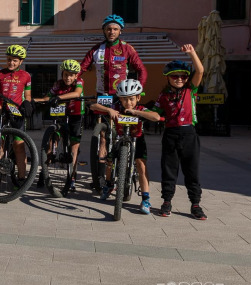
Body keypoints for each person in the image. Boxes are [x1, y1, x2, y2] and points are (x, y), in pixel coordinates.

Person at [80, 14, 148, 193]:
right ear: (104, 30)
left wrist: (138, 89)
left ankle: (127, 159)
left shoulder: (127, 49)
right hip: (102, 95)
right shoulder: (96, 49)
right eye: (109, 29)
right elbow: (81, 69)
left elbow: (141, 69)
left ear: (120, 31)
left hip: (123, 96)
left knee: (125, 130)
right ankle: (102, 176)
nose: (112, 32)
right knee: (103, 135)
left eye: (115, 29)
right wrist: (75, 86)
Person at [149, 45, 206, 220]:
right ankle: (167, 201)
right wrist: (135, 112)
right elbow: (155, 113)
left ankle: (195, 204)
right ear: (168, 78)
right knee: (169, 170)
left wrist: (192, 53)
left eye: (183, 76)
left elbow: (200, 70)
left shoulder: (191, 90)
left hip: (189, 134)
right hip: (171, 135)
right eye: (175, 76)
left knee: (192, 171)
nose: (179, 79)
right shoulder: (163, 95)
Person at [90, 79, 160, 214]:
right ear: (120, 99)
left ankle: (145, 199)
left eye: (132, 99)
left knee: (141, 165)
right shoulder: (117, 107)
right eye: (124, 100)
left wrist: (138, 113)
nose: (128, 103)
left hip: (137, 139)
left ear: (138, 97)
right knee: (110, 161)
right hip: (120, 138)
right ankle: (109, 185)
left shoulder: (140, 108)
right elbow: (93, 106)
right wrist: (109, 109)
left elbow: (156, 117)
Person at [33, 59, 85, 191]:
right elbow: (47, 98)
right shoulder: (58, 84)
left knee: (74, 148)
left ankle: (72, 177)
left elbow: (77, 93)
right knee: (50, 145)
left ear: (76, 75)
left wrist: (59, 98)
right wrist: (34, 100)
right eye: (66, 74)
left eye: (71, 75)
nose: (68, 77)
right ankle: (44, 172)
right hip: (61, 114)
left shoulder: (79, 82)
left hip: (76, 115)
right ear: (62, 74)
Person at [0, 45, 33, 188]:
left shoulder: (26, 76)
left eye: (15, 60)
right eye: (9, 60)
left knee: (19, 146)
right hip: (2, 112)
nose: (11, 63)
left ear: (20, 61)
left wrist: (27, 103)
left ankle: (20, 179)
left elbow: (27, 95)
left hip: (17, 114)